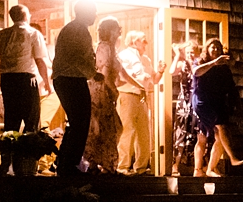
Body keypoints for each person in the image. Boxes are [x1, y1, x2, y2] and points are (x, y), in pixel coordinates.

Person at [0, 4, 50, 176]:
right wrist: (47, 83)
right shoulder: (34, 33)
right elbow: (40, 61)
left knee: (10, 122)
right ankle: (27, 166)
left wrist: (1, 70)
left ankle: (5, 165)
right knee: (31, 121)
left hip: (8, 80)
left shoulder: (2, 34)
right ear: (26, 15)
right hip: (27, 79)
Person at [52, 1, 98, 176]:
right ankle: (69, 165)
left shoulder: (73, 28)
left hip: (67, 78)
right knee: (81, 122)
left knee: (76, 122)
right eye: (93, 11)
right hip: (71, 79)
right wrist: (93, 73)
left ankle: (64, 161)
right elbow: (76, 57)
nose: (95, 14)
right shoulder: (78, 30)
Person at [115, 30, 165, 175]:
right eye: (143, 40)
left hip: (142, 96)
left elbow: (154, 80)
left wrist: (160, 72)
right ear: (134, 42)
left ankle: (141, 167)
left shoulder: (146, 60)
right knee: (127, 130)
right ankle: (122, 167)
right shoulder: (124, 56)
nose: (146, 43)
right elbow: (120, 76)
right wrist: (139, 79)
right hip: (128, 94)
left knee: (144, 132)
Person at [191, 38, 243, 176]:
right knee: (204, 136)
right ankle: (199, 168)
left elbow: (231, 88)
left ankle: (211, 168)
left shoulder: (224, 69)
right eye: (212, 47)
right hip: (203, 103)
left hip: (217, 103)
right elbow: (196, 72)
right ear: (206, 49)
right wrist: (213, 63)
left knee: (221, 136)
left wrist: (236, 106)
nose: (215, 49)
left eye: (218, 48)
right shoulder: (200, 62)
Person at [82, 16, 123, 174]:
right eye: (117, 28)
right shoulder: (105, 47)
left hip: (105, 88)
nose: (120, 31)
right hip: (101, 90)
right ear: (111, 30)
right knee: (105, 127)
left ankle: (102, 163)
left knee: (109, 127)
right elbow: (104, 74)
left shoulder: (111, 48)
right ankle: (99, 163)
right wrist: (113, 91)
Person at [169, 37, 201, 176]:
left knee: (196, 131)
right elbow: (171, 72)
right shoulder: (182, 64)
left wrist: (192, 61)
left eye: (192, 52)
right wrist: (177, 55)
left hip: (197, 100)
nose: (190, 54)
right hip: (184, 101)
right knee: (181, 131)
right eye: (187, 52)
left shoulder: (199, 64)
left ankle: (197, 165)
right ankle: (175, 165)